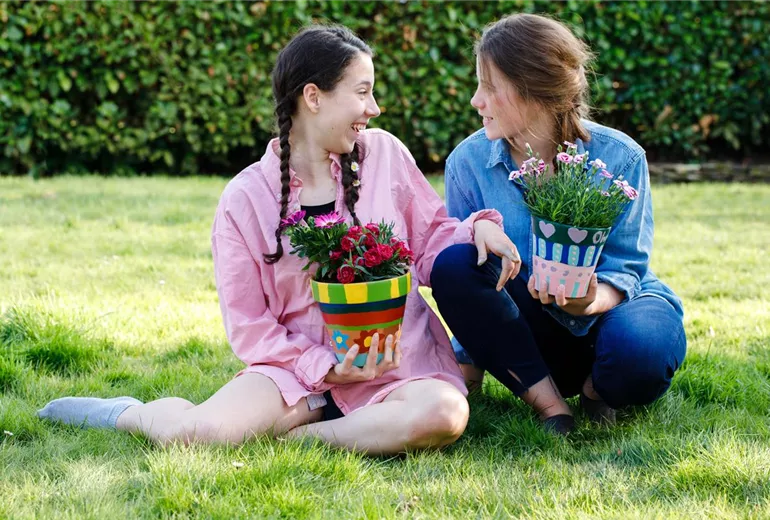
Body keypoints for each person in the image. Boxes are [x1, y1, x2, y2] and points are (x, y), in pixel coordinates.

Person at [37, 25, 522, 455]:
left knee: (444, 414)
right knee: (197, 434)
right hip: (296, 371)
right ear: (314, 97)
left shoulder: (385, 155)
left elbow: (431, 235)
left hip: (394, 366)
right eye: (362, 92)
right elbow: (249, 325)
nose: (374, 108)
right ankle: (128, 413)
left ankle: (301, 438)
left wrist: (474, 228)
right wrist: (326, 369)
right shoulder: (245, 198)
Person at [430, 14, 687, 435]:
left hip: (611, 313)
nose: (476, 100)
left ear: (534, 90)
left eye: (490, 87)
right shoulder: (468, 164)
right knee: (455, 260)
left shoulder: (620, 157)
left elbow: (626, 269)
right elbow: (470, 281)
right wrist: (466, 362)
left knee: (641, 353)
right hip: (530, 336)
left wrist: (587, 301)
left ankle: (598, 390)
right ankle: (550, 403)